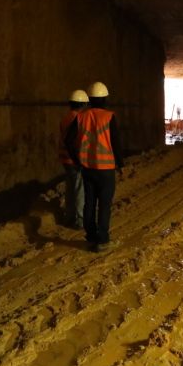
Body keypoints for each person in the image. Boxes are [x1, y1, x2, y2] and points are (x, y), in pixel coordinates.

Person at [65, 81, 124, 251]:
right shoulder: (109, 116)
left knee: (89, 202)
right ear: (105, 99)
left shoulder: (81, 116)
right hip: (106, 169)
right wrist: (120, 163)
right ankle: (103, 240)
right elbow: (116, 142)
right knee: (104, 205)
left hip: (88, 168)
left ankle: (91, 236)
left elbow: (69, 140)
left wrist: (77, 160)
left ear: (89, 99)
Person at [59, 89, 89, 228]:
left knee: (70, 189)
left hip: (65, 159)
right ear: (82, 104)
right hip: (75, 160)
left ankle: (69, 217)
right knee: (79, 190)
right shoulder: (79, 119)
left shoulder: (65, 118)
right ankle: (81, 220)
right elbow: (78, 141)